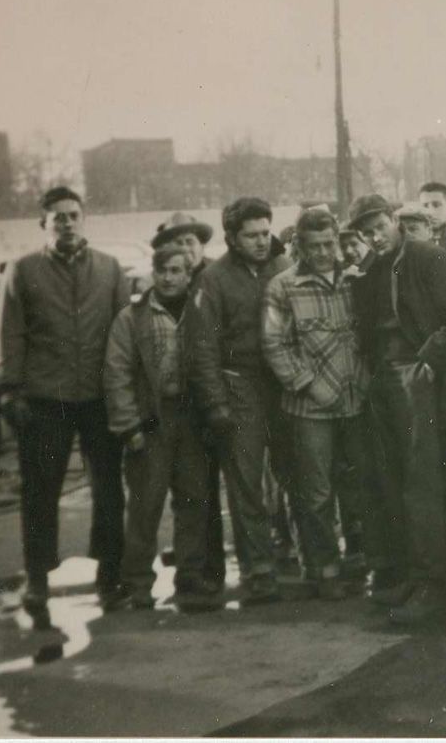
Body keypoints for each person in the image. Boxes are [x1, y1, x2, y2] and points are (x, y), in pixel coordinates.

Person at [0, 186, 131, 612]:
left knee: (108, 490)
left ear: (83, 219)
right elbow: (7, 333)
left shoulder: (109, 270)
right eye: (58, 218)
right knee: (40, 490)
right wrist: (10, 390)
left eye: (74, 215)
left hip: (98, 396)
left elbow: (126, 332)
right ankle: (37, 578)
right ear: (44, 225)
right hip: (44, 398)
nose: (67, 223)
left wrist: (126, 389)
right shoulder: (22, 270)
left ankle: (110, 576)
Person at [347, 193, 446, 625]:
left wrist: (429, 360)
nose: (374, 236)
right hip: (382, 378)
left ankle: (433, 587)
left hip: (415, 377)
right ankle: (414, 575)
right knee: (393, 479)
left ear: (394, 220)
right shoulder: (371, 267)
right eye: (365, 232)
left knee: (423, 483)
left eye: (378, 226)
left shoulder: (428, 258)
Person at [186, 197, 292, 606]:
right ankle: (259, 569)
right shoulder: (212, 280)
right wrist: (216, 405)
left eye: (266, 233)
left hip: (283, 384)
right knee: (247, 484)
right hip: (239, 386)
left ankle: (300, 555)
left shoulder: (283, 269)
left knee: (294, 473)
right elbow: (202, 348)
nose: (263, 242)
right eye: (252, 236)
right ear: (232, 238)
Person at [104, 245, 221, 612]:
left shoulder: (201, 313)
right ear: (152, 274)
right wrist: (128, 425)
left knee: (194, 499)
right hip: (151, 420)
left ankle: (190, 574)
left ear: (189, 275)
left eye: (176, 271)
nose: (169, 277)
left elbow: (214, 363)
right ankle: (138, 582)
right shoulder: (131, 318)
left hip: (192, 419)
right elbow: (116, 373)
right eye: (162, 270)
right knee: (145, 504)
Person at [262, 208, 371, 601]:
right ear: (301, 246)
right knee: (316, 492)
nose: (324, 252)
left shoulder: (355, 280)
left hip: (356, 403)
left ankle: (361, 561)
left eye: (330, 243)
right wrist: (309, 386)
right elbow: (275, 345)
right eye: (315, 246)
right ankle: (322, 568)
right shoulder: (283, 287)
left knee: (358, 485)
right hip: (310, 410)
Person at [151, 211, 225, 591]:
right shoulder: (165, 287)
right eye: (176, 242)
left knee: (224, 484)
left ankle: (214, 564)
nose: (184, 249)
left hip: (218, 395)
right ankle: (199, 567)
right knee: (194, 488)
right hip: (178, 403)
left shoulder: (214, 280)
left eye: (190, 241)